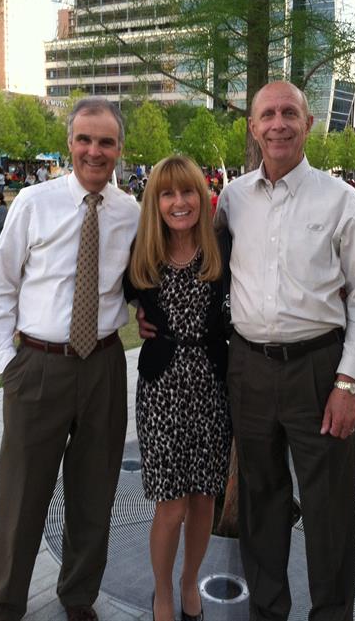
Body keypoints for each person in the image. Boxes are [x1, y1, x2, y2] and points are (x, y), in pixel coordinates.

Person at [214, 81, 355, 621]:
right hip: (247, 368)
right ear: (253, 126)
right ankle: (267, 610)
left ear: (309, 124)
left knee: (329, 505)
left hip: (319, 370)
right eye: (268, 114)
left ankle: (332, 613)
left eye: (290, 112)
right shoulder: (233, 200)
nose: (279, 123)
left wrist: (348, 382)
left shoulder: (341, 200)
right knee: (261, 499)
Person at [0, 97, 139, 621]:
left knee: (95, 493)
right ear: (71, 143)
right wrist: (8, 361)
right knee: (22, 494)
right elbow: (0, 284)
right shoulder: (34, 201)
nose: (95, 151)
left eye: (106, 142)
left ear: (119, 149)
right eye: (85, 139)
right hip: (38, 367)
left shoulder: (131, 213)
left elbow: (140, 283)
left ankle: (78, 597)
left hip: (104, 369)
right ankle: (4, 604)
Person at [126, 155, 231, 621]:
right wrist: (139, 318)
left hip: (211, 386)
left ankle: (191, 581)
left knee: (204, 498)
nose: (179, 202)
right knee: (170, 505)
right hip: (162, 390)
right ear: (156, 202)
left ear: (201, 197)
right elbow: (122, 298)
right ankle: (163, 591)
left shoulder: (222, 248)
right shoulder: (142, 253)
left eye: (187, 191)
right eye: (167, 194)